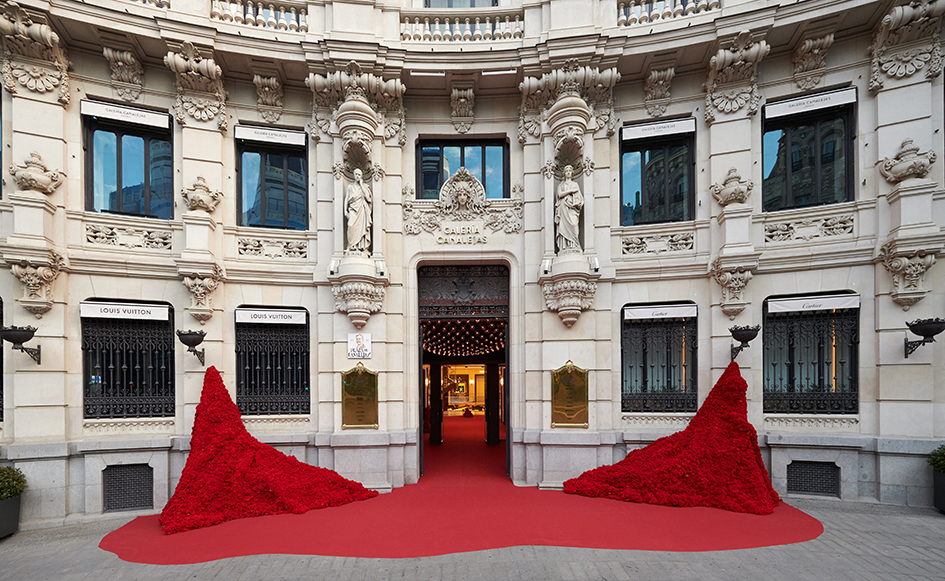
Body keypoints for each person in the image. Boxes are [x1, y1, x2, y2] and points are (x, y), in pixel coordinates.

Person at [555, 164, 583, 252]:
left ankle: (574, 244)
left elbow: (580, 197)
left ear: (572, 173)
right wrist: (571, 191)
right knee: (563, 226)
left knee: (574, 225)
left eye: (569, 171)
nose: (568, 173)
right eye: (566, 171)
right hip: (564, 207)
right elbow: (560, 194)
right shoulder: (561, 185)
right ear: (564, 173)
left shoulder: (575, 184)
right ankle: (565, 246)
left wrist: (579, 203)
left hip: (573, 209)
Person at [345, 168, 372, 253]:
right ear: (353, 175)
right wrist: (345, 211)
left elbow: (368, 198)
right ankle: (351, 245)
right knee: (350, 225)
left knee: (362, 228)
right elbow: (346, 199)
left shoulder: (365, 187)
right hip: (353, 209)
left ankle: (361, 246)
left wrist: (361, 185)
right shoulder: (350, 187)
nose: (357, 176)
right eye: (356, 174)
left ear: (361, 176)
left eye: (359, 174)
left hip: (362, 209)